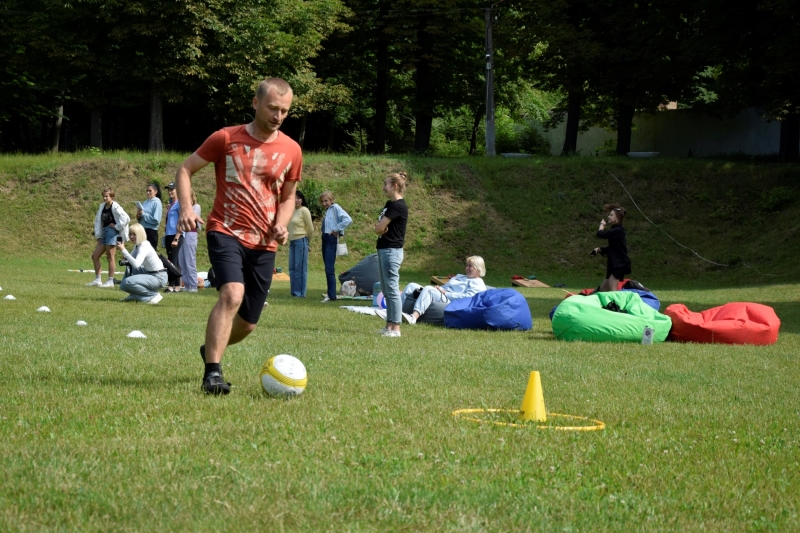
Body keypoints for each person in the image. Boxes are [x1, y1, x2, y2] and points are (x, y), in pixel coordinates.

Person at [175, 77, 302, 395]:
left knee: (246, 325)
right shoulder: (225, 138)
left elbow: (288, 197)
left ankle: (210, 349)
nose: (278, 116)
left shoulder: (291, 149)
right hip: (225, 229)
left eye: (284, 111)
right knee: (231, 294)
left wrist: (282, 224)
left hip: (264, 243)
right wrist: (186, 209)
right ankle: (213, 373)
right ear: (255, 103)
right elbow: (185, 169)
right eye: (273, 108)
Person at [400, 256, 487, 324]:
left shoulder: (477, 282)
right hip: (442, 294)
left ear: (478, 268)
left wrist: (446, 293)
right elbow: (447, 286)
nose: (467, 268)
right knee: (411, 285)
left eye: (470, 266)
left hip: (451, 301)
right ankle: (393, 312)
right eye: (467, 265)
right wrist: (440, 288)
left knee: (429, 289)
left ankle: (413, 317)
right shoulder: (460, 276)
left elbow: (469, 298)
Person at [373, 172, 408, 337]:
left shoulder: (398, 206)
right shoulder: (389, 204)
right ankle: (388, 326)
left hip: (391, 251)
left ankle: (396, 328)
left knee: (392, 289)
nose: (383, 187)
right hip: (383, 249)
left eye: (385, 184)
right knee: (386, 290)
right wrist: (379, 229)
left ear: (394, 186)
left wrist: (380, 229)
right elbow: (378, 228)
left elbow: (380, 228)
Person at [87, 187, 130, 288]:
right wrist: (98, 236)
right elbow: (98, 221)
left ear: (112, 197)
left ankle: (110, 281)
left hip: (112, 233)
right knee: (95, 256)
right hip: (104, 233)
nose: (105, 198)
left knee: (110, 257)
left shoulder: (115, 207)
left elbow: (126, 218)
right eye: (104, 196)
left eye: (107, 196)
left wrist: (116, 226)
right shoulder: (102, 206)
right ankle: (98, 280)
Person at [117, 223, 167, 304]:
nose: (131, 236)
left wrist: (123, 250)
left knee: (127, 282)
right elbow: (130, 259)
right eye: (130, 234)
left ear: (140, 234)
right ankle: (134, 295)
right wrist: (124, 253)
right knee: (123, 285)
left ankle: (153, 295)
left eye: (134, 234)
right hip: (151, 274)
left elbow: (136, 264)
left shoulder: (144, 246)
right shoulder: (138, 245)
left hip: (159, 277)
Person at [319, 190, 352, 303]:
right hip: (325, 238)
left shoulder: (336, 208)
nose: (324, 203)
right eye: (322, 201)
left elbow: (347, 219)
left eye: (326, 201)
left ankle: (332, 295)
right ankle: (330, 293)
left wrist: (336, 229)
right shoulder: (327, 211)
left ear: (331, 200)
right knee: (327, 268)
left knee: (329, 268)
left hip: (331, 239)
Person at [591, 203, 631, 292]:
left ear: (617, 218)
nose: (609, 216)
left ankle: (616, 306)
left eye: (611, 215)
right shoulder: (615, 230)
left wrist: (602, 225)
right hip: (613, 264)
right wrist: (599, 249)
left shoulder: (619, 230)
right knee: (602, 289)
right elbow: (613, 248)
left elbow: (600, 234)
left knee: (613, 289)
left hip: (618, 264)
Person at [288, 190, 313, 297]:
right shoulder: (291, 211)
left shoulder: (304, 210)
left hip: (301, 241)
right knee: (292, 268)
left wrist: (307, 243)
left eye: (298, 198)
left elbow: (310, 229)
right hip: (292, 242)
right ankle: (294, 292)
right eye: (294, 198)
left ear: (302, 200)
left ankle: (300, 293)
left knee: (300, 268)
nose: (296, 200)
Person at [177, 190, 202, 292]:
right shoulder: (182, 209)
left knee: (190, 260)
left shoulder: (196, 207)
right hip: (182, 234)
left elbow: (190, 220)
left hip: (191, 234)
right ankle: (186, 285)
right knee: (182, 260)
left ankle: (193, 286)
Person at [163, 182, 183, 292]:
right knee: (172, 260)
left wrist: (177, 237)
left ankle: (173, 285)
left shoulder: (179, 203)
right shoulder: (171, 203)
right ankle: (175, 285)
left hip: (176, 235)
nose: (170, 192)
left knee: (173, 261)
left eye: (172, 189)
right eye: (169, 190)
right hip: (169, 234)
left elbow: (181, 221)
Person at [137, 183, 163, 250]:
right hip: (142, 230)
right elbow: (140, 218)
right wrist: (139, 215)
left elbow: (156, 220)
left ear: (156, 192)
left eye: (150, 191)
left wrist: (143, 214)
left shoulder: (157, 202)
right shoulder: (145, 202)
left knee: (149, 255)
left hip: (151, 232)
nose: (148, 192)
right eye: (147, 191)